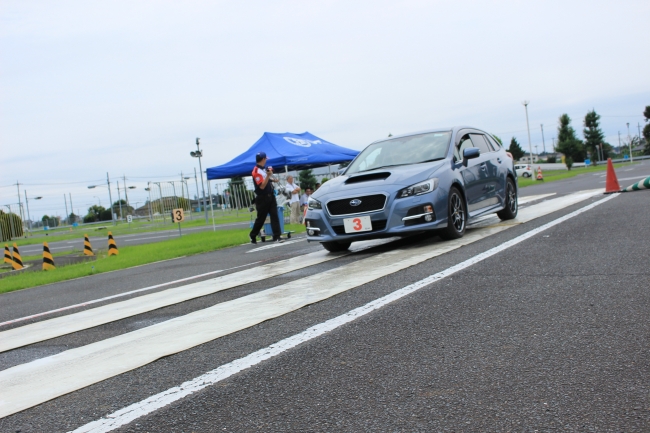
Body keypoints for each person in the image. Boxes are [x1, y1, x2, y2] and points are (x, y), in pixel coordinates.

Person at [249, 152, 283, 244]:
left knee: (274, 215)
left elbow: (266, 180)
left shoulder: (264, 169)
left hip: (270, 195)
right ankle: (253, 235)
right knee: (261, 218)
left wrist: (273, 179)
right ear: (263, 159)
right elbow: (262, 186)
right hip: (262, 197)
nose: (266, 161)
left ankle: (277, 236)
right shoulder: (256, 171)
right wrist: (268, 175)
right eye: (265, 159)